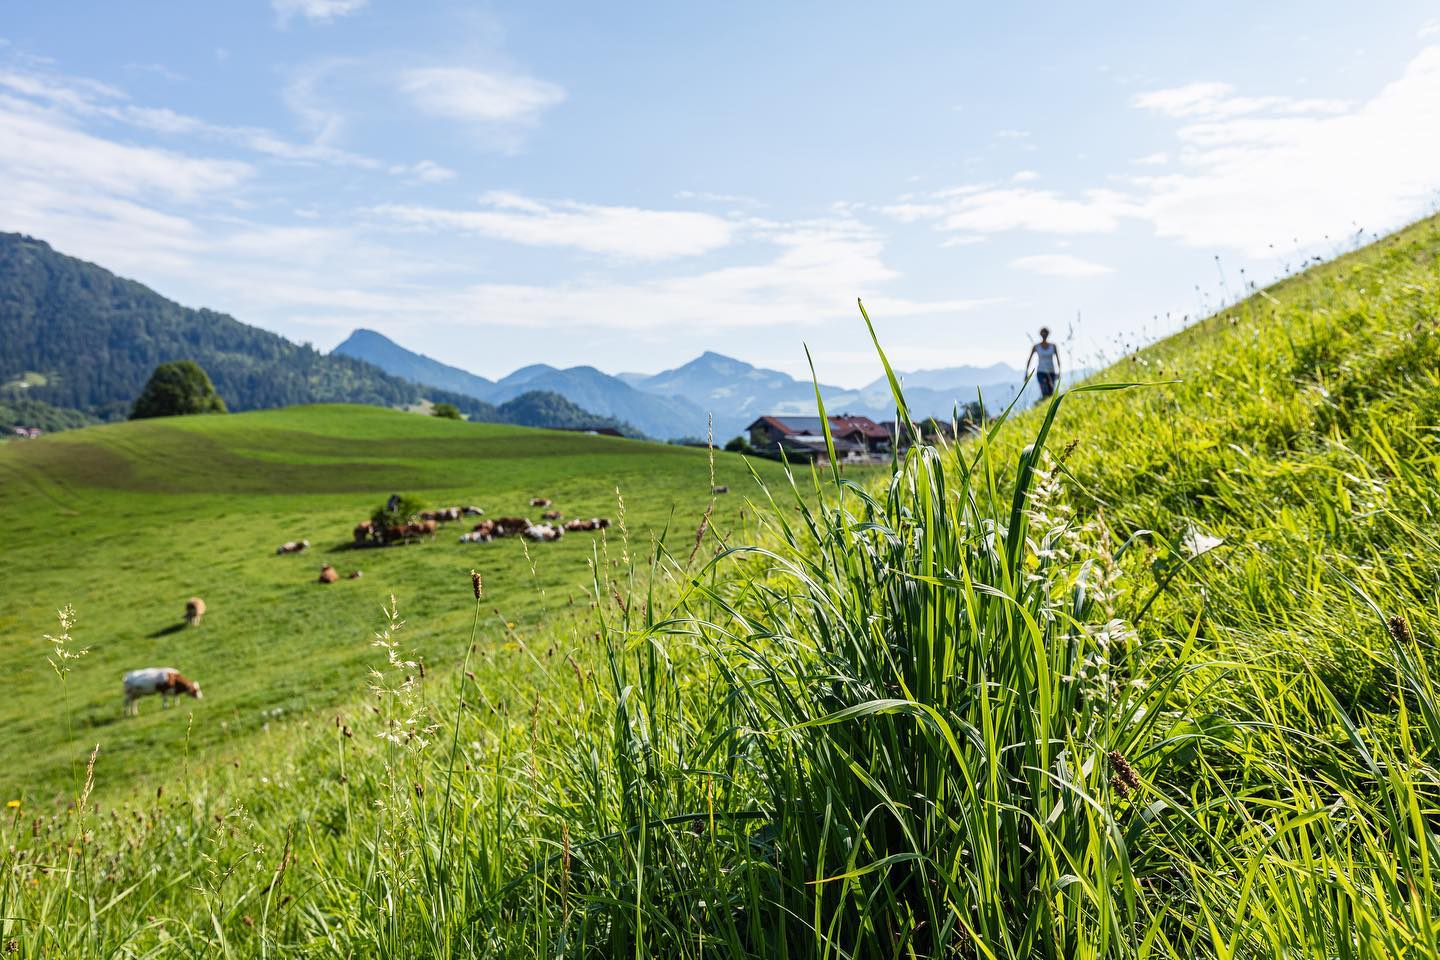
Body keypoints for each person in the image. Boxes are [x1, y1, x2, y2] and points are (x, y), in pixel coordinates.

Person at [1027, 327, 1061, 399]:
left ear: (1048, 334)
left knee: (1051, 392)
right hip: (1041, 372)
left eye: (1046, 334)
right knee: (1044, 391)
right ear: (1040, 335)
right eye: (1043, 334)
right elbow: (1029, 359)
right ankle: (1044, 405)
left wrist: (1059, 372)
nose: (1044, 335)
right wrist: (1026, 373)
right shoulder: (1036, 346)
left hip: (1051, 372)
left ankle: (1049, 407)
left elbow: (1058, 359)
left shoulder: (1053, 346)